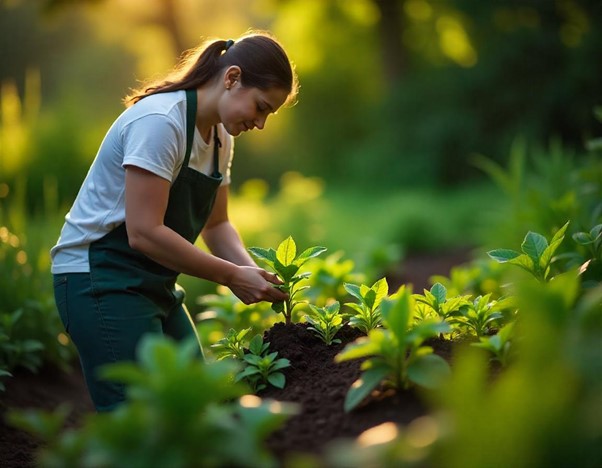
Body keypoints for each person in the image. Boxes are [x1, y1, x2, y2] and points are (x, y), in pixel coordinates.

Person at [50, 30, 297, 411]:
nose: (261, 123)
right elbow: (144, 233)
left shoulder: (220, 138)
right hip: (98, 278)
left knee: (195, 404)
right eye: (261, 107)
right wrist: (231, 276)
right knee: (140, 419)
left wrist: (255, 274)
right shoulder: (162, 122)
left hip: (155, 282)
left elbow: (217, 226)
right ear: (232, 78)